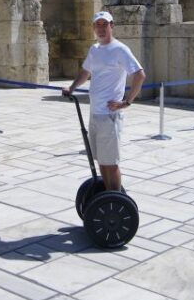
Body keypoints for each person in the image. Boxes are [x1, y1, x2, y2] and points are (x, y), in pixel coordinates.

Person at [62, 11, 146, 192]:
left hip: (109, 115)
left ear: (112, 26)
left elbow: (139, 75)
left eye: (104, 24)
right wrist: (72, 88)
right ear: (93, 28)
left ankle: (115, 201)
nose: (101, 29)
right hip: (95, 113)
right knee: (101, 159)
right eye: (97, 25)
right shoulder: (95, 50)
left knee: (111, 163)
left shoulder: (120, 50)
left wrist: (127, 102)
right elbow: (85, 72)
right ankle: (108, 195)